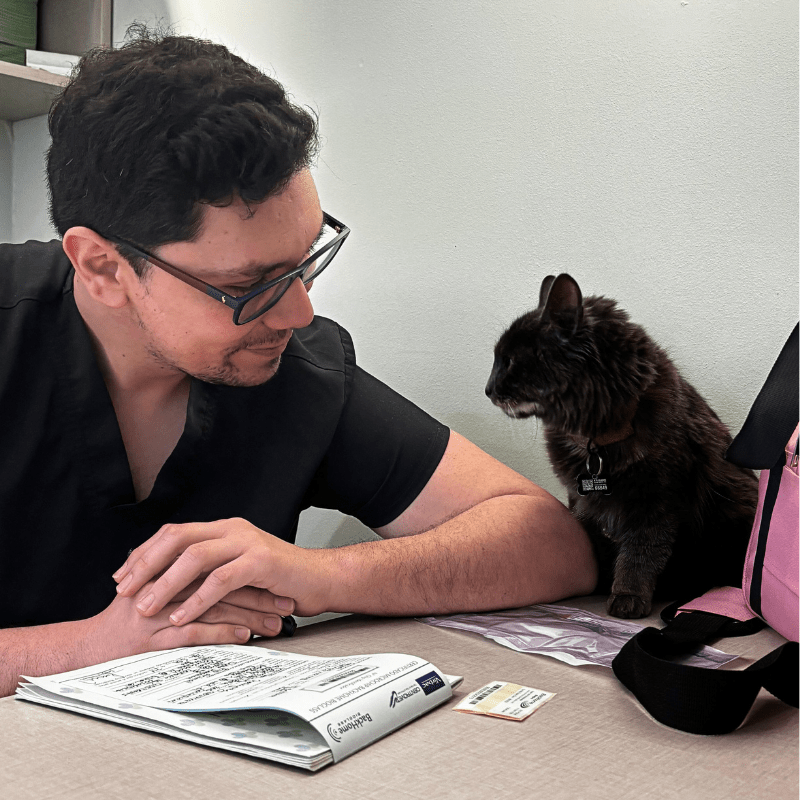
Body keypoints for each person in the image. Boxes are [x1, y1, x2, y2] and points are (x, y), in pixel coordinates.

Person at [0, 28, 596, 697]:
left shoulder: (295, 371)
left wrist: (313, 575)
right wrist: (92, 646)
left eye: (305, 260)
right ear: (104, 268)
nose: (299, 313)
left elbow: (551, 545)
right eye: (249, 285)